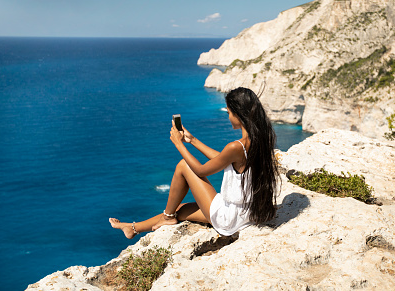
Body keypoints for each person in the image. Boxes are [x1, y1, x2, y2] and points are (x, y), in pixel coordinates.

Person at [109, 87, 279, 238]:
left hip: (231, 218)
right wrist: (192, 140)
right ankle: (133, 228)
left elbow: (201, 171)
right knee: (181, 209)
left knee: (184, 165)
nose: (228, 117)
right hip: (248, 211)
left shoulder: (236, 146)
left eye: (228, 112)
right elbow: (224, 159)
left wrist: (178, 143)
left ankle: (167, 218)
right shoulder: (260, 139)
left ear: (238, 113)